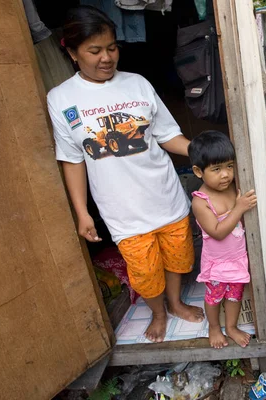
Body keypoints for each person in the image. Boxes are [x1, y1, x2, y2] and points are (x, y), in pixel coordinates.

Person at [47, 6, 203, 343]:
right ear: (72, 53)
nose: (107, 57)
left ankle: (175, 303)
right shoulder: (60, 99)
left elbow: (165, 135)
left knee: (178, 257)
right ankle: (158, 313)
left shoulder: (138, 84)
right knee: (145, 272)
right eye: (95, 50)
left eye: (112, 47)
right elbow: (72, 159)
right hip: (122, 210)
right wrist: (82, 212)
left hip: (165, 194)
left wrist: (199, 151)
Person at [188, 131, 256, 348]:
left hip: (237, 258)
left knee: (234, 296)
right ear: (199, 171)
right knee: (214, 297)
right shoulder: (201, 202)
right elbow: (217, 231)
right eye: (216, 169)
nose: (225, 174)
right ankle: (214, 328)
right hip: (217, 263)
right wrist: (240, 208)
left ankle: (232, 326)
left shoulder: (233, 187)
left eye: (229, 166)